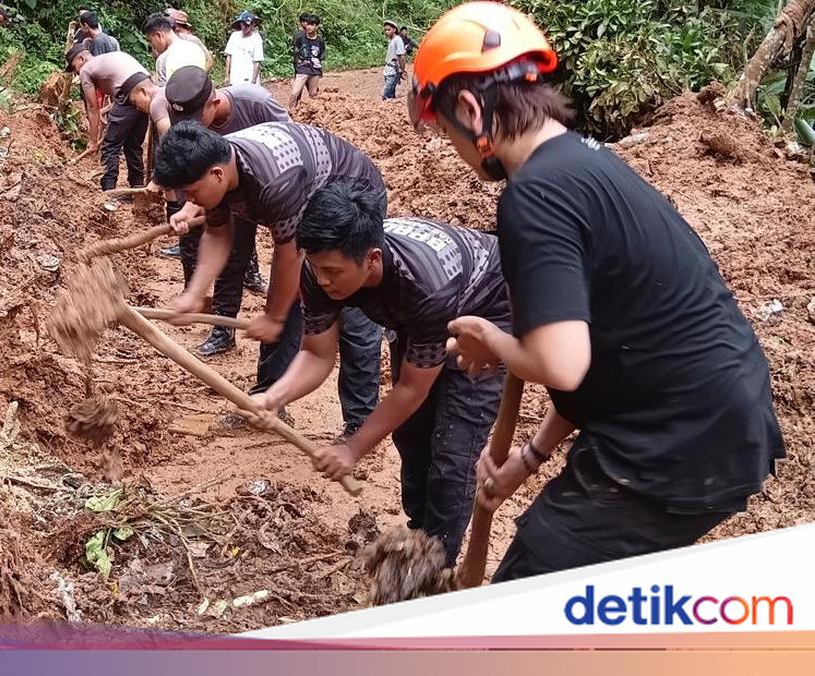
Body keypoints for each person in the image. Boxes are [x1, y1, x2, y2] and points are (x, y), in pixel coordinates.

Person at [409, 2, 785, 580]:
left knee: (532, 588)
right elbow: (610, 341)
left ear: (467, 110)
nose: (454, 151)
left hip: (680, 441)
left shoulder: (534, 196)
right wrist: (527, 460)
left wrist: (491, 338)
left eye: (444, 130)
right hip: (708, 421)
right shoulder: (585, 164)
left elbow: (561, 364)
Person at [242, 182, 510, 563]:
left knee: (454, 449)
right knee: (411, 432)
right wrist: (274, 396)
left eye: (332, 272)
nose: (323, 281)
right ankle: (421, 532)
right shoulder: (321, 270)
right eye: (316, 269)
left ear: (371, 258)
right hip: (420, 318)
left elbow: (410, 389)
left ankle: (436, 564)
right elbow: (318, 355)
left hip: (489, 307)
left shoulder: (423, 287)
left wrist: (353, 447)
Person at [154, 121, 384, 439]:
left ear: (217, 175)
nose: (189, 200)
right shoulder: (217, 166)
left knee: (350, 306)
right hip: (306, 199)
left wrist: (274, 317)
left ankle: (360, 425)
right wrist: (195, 293)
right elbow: (218, 234)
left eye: (191, 193)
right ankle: (269, 399)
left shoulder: (275, 180)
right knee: (291, 297)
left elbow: (290, 255)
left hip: (351, 198)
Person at [154, 66, 289, 356]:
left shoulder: (258, 104)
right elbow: (209, 186)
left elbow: (288, 140)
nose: (194, 130)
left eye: (195, 119)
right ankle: (223, 330)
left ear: (214, 104)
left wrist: (274, 317)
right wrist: (190, 208)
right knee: (230, 257)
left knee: (299, 269)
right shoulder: (203, 153)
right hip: (230, 193)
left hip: (278, 191)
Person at [67, 46, 151, 191]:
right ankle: (137, 186)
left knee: (110, 145)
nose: (76, 72)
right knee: (133, 144)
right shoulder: (106, 60)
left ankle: (108, 190)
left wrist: (92, 141)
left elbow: (93, 108)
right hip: (147, 91)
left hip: (130, 93)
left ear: (81, 59)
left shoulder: (86, 70)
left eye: (74, 67)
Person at [144, 13, 207, 87]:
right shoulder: (196, 48)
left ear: (158, 35)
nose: (152, 46)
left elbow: (164, 94)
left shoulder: (163, 60)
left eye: (151, 41)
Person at [290, 13, 325, 112]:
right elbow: (296, 51)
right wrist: (299, 64)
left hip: (315, 70)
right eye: (308, 24)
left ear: (317, 26)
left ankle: (314, 114)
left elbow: (322, 54)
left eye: (312, 24)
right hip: (302, 69)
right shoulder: (300, 37)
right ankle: (291, 112)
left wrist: (317, 63)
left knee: (313, 94)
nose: (309, 27)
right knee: (295, 92)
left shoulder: (320, 40)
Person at [224, 11, 265, 86]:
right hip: (235, 77)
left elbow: (257, 62)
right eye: (242, 24)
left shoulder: (256, 39)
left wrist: (253, 81)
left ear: (252, 25)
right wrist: (227, 75)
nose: (244, 27)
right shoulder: (234, 36)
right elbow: (229, 56)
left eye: (247, 25)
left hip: (249, 77)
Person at [382, 20, 405, 100]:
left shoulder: (397, 40)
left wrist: (402, 70)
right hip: (388, 69)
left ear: (394, 30)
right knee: (390, 95)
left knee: (385, 96)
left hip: (393, 71)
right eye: (385, 30)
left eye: (388, 30)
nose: (386, 32)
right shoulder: (391, 40)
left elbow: (401, 56)